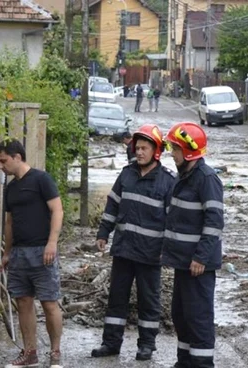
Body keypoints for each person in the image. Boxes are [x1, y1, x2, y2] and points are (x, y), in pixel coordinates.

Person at [91, 124, 176, 361]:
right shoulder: (126, 174)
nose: (139, 152)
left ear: (156, 150)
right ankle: (111, 343)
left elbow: (173, 222)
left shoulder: (168, 182)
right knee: (116, 298)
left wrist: (167, 251)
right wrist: (102, 233)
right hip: (124, 250)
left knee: (148, 301)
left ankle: (147, 345)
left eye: (144, 148)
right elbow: (112, 206)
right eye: (137, 148)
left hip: (151, 255)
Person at [0, 139, 64, 368]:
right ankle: (30, 353)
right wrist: (7, 252)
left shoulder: (41, 179)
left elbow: (57, 210)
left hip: (42, 251)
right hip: (19, 253)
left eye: (3, 160)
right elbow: (9, 221)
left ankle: (55, 352)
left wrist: (52, 243)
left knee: (49, 302)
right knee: (23, 302)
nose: (1, 166)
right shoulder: (11, 188)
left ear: (17, 157)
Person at [162, 122, 224, 368]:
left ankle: (202, 364)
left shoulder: (207, 180)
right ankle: (185, 362)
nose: (172, 153)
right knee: (181, 315)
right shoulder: (184, 177)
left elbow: (214, 222)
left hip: (198, 264)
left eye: (175, 149)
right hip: (183, 262)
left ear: (189, 151)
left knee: (198, 317)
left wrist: (201, 257)